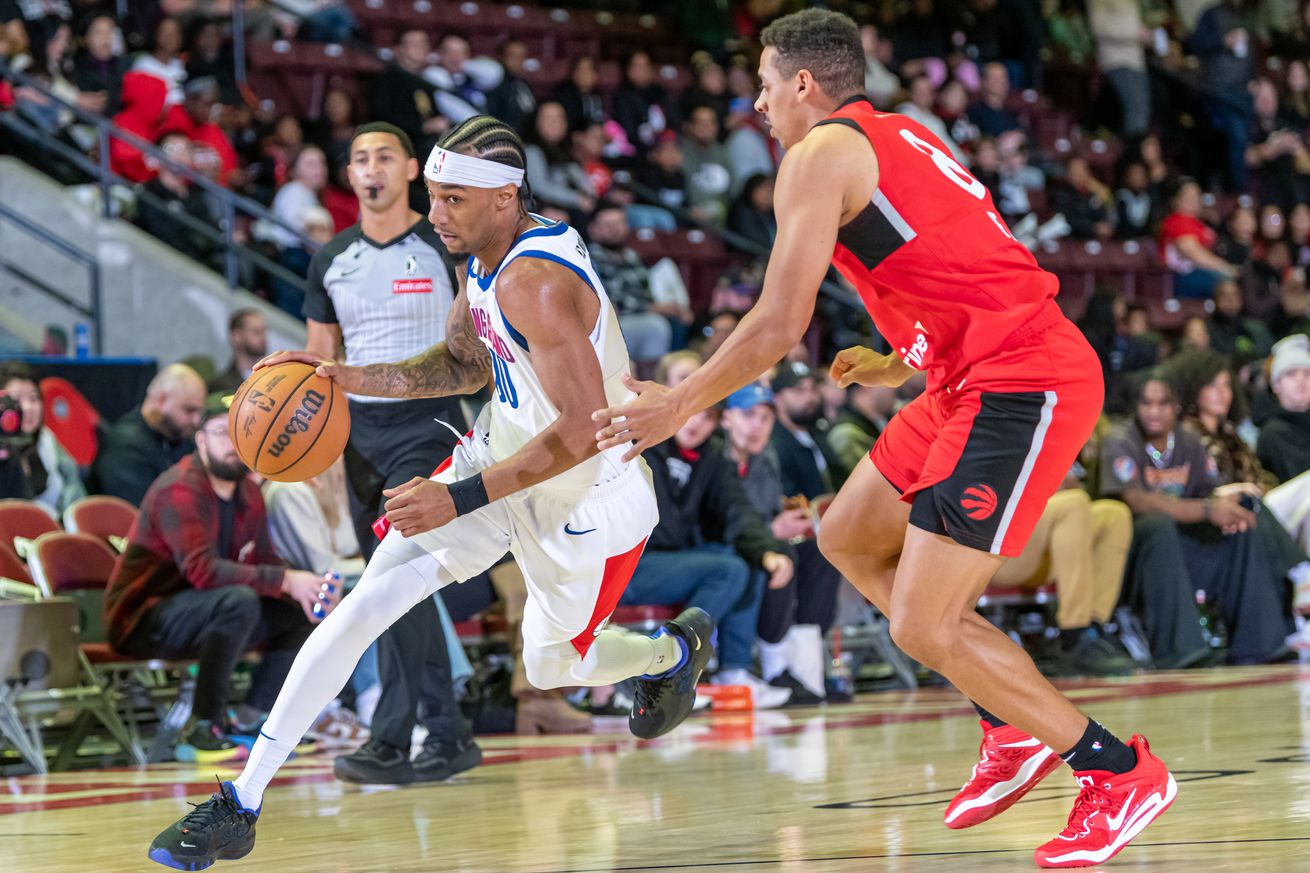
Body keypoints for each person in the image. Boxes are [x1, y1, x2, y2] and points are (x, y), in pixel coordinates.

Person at [593, 11, 1175, 867]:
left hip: (1023, 377)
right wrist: (904, 353)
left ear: (803, 84)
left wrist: (679, 402)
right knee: (846, 535)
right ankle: (1005, 725)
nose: (756, 103)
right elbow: (965, 256)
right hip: (959, 377)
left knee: (924, 624)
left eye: (762, 84)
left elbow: (778, 323)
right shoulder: (899, 132)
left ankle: (1116, 770)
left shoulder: (817, 154)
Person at [148, 117, 714, 871]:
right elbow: (461, 366)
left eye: (451, 199)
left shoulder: (533, 281)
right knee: (365, 604)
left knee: (553, 667)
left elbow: (582, 432)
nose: (435, 213)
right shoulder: (480, 258)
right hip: (503, 454)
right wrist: (350, 376)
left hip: (587, 496)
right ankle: (239, 803)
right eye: (434, 196)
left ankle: (674, 649)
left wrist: (462, 496)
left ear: (505, 198)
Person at [295, 121, 476, 786]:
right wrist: (318, 456)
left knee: (394, 578)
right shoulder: (329, 258)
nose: (371, 168)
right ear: (350, 176)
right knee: (397, 585)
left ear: (409, 171)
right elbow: (321, 367)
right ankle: (445, 730)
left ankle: (395, 738)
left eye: (384, 157)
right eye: (359, 159)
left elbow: (472, 349)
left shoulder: (442, 241)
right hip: (358, 436)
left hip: (430, 426)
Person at [105, 394, 332, 763]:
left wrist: (300, 587)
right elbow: (203, 570)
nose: (233, 444)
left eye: (243, 434)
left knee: (299, 612)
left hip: (207, 610)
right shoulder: (179, 488)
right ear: (200, 440)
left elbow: (264, 560)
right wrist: (286, 579)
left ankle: (253, 717)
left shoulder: (247, 491)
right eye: (222, 433)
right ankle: (201, 726)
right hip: (144, 619)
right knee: (238, 600)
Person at [90, 363, 205, 506]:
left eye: (199, 412)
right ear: (161, 400)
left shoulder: (181, 439)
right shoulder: (125, 449)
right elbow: (142, 516)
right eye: (189, 411)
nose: (196, 420)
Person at [0, 362, 85, 514]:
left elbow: (76, 497)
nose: (27, 408)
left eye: (33, 398)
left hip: (52, 530)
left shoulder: (47, 440)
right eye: (16, 399)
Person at [209, 309, 268, 394]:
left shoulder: (270, 376)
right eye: (256, 332)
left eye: (264, 332)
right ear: (237, 336)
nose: (263, 338)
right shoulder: (221, 385)